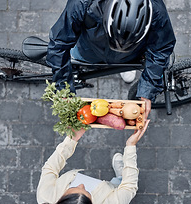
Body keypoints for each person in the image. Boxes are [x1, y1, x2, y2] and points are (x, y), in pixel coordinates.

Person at [46, 0, 176, 120]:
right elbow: (59, 44)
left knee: (126, 62)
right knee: (74, 58)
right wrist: (64, 89)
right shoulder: (81, 3)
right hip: (88, 50)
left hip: (129, 56)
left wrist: (148, 89)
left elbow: (162, 47)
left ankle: (124, 66)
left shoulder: (156, 10)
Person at [36, 120, 150, 204]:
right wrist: (130, 147)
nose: (81, 185)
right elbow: (129, 187)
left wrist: (71, 140)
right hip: (109, 197)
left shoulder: (45, 197)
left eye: (71, 190)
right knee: (119, 185)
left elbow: (50, 168)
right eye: (87, 194)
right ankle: (120, 176)